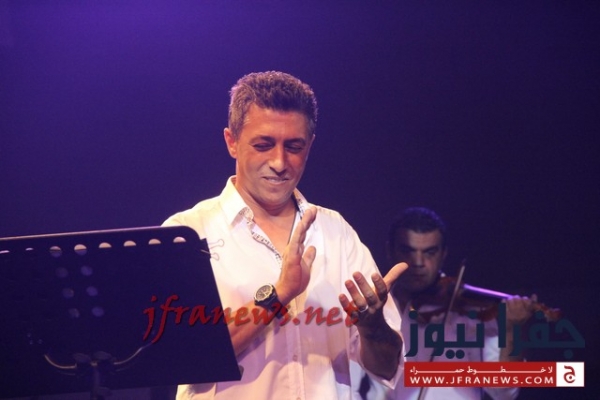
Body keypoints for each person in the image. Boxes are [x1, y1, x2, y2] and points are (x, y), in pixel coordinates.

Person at [162, 71, 406, 399]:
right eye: (263, 145)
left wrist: (372, 327)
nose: (279, 162)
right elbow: (184, 359)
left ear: (310, 146)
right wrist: (278, 295)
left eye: (294, 147)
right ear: (231, 142)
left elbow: (387, 369)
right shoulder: (187, 233)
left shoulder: (337, 233)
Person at [359, 207, 536, 400]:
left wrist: (513, 330)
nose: (418, 262)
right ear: (390, 251)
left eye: (429, 252)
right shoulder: (371, 307)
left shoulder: (468, 313)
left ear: (443, 254)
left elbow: (504, 391)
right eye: (407, 251)